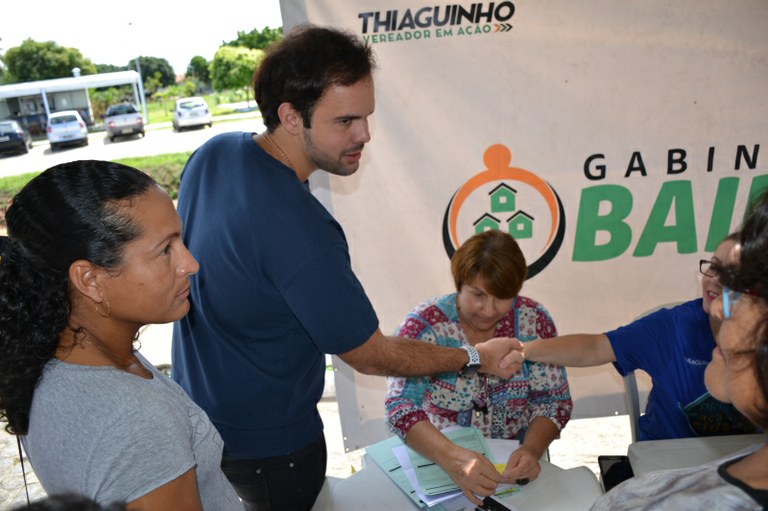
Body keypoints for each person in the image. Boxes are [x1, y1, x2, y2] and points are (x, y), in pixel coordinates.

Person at [171, 24, 523, 511]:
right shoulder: (301, 229)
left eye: (367, 116)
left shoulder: (212, 156)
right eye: (346, 121)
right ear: (291, 116)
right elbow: (369, 354)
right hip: (272, 449)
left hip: (199, 420)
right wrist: (471, 357)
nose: (365, 134)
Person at [0, 160, 243, 510]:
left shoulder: (56, 352)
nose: (190, 264)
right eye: (165, 250)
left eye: (181, 240)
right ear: (90, 280)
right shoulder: (135, 422)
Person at [590, 192, 768, 510]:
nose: (718, 311)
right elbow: (596, 346)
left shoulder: (643, 501)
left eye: (738, 292)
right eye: (715, 271)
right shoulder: (675, 323)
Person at [385, 230, 572, 505]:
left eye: (501, 298)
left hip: (511, 468)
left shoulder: (535, 321)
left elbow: (554, 402)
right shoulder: (426, 326)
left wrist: (532, 449)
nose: (488, 310)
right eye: (477, 295)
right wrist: (450, 456)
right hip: (439, 461)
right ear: (459, 284)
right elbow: (400, 406)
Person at [523, 232, 755, 441]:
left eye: (730, 275)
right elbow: (595, 347)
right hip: (666, 462)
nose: (714, 279)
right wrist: (522, 350)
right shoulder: (671, 326)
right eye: (713, 267)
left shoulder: (759, 339)